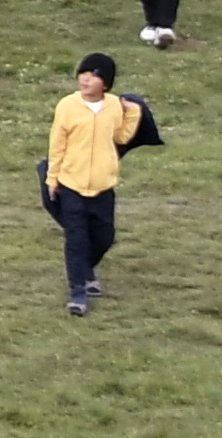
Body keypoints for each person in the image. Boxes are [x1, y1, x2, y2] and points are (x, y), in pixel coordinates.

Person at [43, 53, 161, 313]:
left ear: (105, 83)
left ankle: (85, 271)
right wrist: (53, 178)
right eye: (83, 73)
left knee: (105, 237)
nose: (85, 79)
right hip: (71, 184)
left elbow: (122, 137)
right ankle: (78, 293)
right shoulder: (67, 105)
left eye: (93, 75)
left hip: (103, 186)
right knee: (76, 239)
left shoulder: (114, 106)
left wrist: (133, 112)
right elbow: (57, 144)